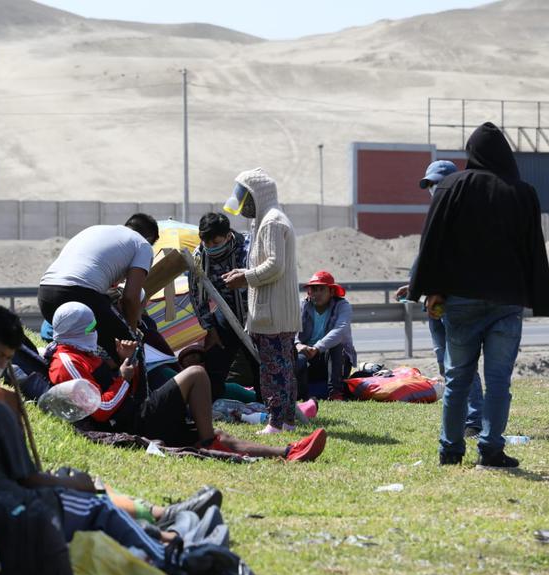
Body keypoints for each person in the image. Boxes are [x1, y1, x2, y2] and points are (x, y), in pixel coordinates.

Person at [0, 318, 222, 567]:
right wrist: (78, 485)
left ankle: (162, 517)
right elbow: (28, 479)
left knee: (75, 483)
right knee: (90, 499)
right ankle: (171, 551)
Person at [408, 122, 549, 468]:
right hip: (507, 302)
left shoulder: (451, 187)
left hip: (461, 301)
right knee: (499, 381)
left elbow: (433, 243)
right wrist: (540, 298)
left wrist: (428, 288)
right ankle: (490, 449)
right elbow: (534, 249)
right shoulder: (523, 193)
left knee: (458, 377)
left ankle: (450, 450)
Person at [46, 302, 326, 462]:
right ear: (78, 331)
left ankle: (288, 452)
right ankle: (208, 440)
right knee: (195, 374)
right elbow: (102, 411)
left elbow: (118, 390)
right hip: (130, 422)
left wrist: (126, 363)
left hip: (131, 412)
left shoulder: (81, 353)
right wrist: (122, 376)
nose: (96, 332)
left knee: (222, 436)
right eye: (92, 328)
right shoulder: (68, 363)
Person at [396, 160, 484, 438]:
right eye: (430, 185)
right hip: (435, 304)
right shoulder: (440, 214)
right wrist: (413, 286)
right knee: (446, 362)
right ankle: (459, 417)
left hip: (457, 302)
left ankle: (473, 420)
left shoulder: (465, 216)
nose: (433, 190)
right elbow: (426, 257)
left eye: (437, 184)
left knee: (462, 362)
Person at [221, 168, 301, 434]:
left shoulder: (272, 222)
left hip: (273, 313)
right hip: (276, 312)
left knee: (274, 372)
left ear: (258, 195)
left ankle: (276, 423)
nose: (242, 203)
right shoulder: (267, 221)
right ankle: (287, 421)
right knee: (284, 369)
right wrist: (244, 274)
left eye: (245, 196)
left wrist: (245, 277)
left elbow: (274, 266)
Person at [38, 214, 159, 364]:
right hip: (79, 294)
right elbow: (130, 297)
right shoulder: (143, 245)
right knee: (130, 351)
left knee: (87, 350)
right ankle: (127, 386)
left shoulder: (96, 230)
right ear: (149, 238)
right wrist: (131, 332)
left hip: (46, 296)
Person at [186, 212, 260, 400]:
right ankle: (211, 404)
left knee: (259, 361)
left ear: (228, 236)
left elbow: (262, 276)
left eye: (216, 243)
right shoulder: (198, 258)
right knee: (214, 359)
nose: (211, 248)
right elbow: (197, 297)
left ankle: (266, 406)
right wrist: (210, 330)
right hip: (225, 314)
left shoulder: (249, 248)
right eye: (207, 243)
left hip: (255, 313)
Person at [294, 271, 357, 401]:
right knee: (298, 358)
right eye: (314, 289)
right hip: (309, 355)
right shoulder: (302, 305)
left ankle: (335, 393)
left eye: (322, 289)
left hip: (335, 361)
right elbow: (291, 330)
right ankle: (301, 394)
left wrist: (317, 348)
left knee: (336, 346)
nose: (317, 293)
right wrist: (298, 345)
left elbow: (340, 331)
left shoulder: (342, 306)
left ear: (331, 292)